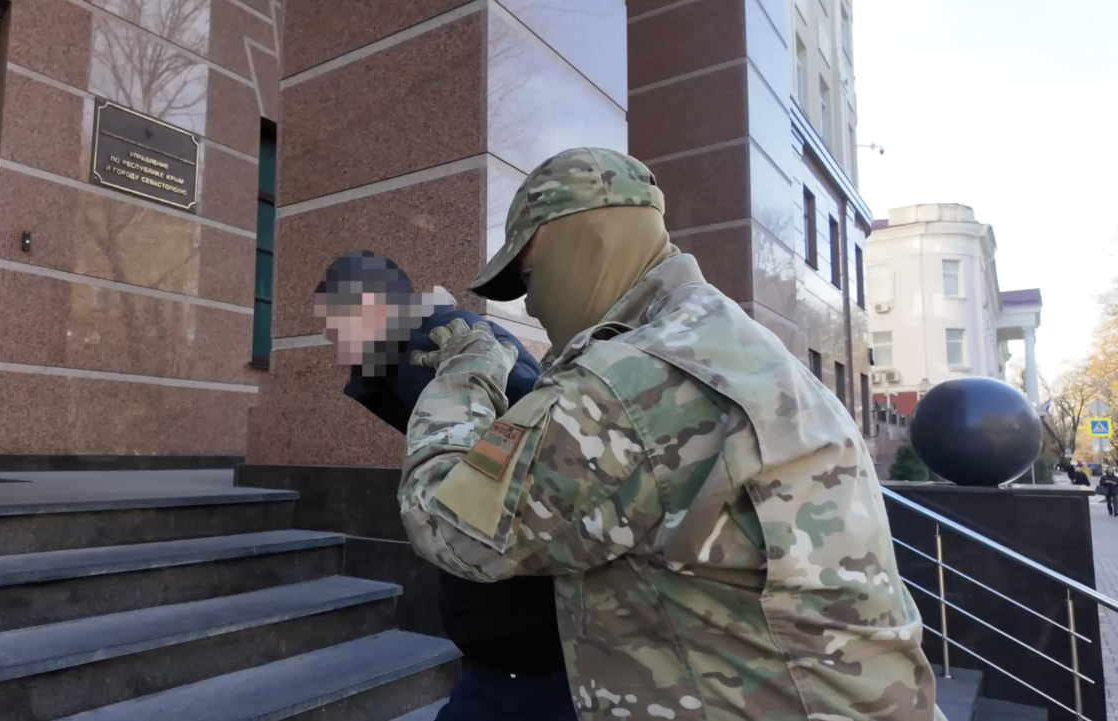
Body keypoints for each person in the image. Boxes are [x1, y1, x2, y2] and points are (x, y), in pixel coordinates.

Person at [399, 147, 945, 719]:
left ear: (582, 243)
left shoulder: (634, 381)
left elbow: (445, 523)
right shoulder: (722, 340)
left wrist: (468, 370)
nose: (531, 305)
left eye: (530, 277)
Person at [313, 252, 577, 721]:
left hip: (522, 654)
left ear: (370, 308)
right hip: (521, 642)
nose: (333, 350)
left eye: (334, 330)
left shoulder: (430, 352)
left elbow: (470, 498)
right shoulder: (435, 342)